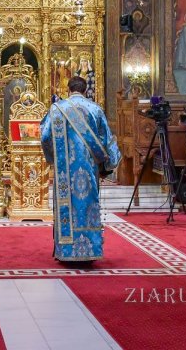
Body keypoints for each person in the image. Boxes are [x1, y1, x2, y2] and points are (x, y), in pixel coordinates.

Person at [41, 76, 121, 263]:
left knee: (67, 207)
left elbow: (45, 137)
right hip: (89, 170)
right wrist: (107, 166)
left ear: (68, 89)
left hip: (65, 171)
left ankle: (66, 252)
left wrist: (53, 158)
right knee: (88, 206)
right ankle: (89, 251)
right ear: (86, 90)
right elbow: (107, 140)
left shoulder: (57, 109)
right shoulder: (95, 109)